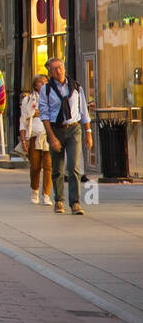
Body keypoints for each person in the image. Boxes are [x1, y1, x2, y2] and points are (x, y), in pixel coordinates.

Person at [38, 59, 92, 215]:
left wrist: (88, 133)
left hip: (74, 128)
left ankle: (75, 202)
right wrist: (52, 137)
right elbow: (44, 114)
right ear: (50, 73)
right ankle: (59, 200)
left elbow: (84, 112)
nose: (59, 71)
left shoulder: (76, 87)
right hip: (56, 129)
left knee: (73, 167)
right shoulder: (46, 90)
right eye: (54, 69)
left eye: (60, 67)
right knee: (57, 167)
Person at [20, 75, 52, 206]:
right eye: (40, 82)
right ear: (35, 85)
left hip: (48, 135)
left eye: (45, 82)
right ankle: (35, 190)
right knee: (35, 166)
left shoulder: (52, 98)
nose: (43, 84)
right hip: (34, 135)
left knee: (49, 166)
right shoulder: (28, 99)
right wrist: (23, 140)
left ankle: (46, 194)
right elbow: (23, 120)